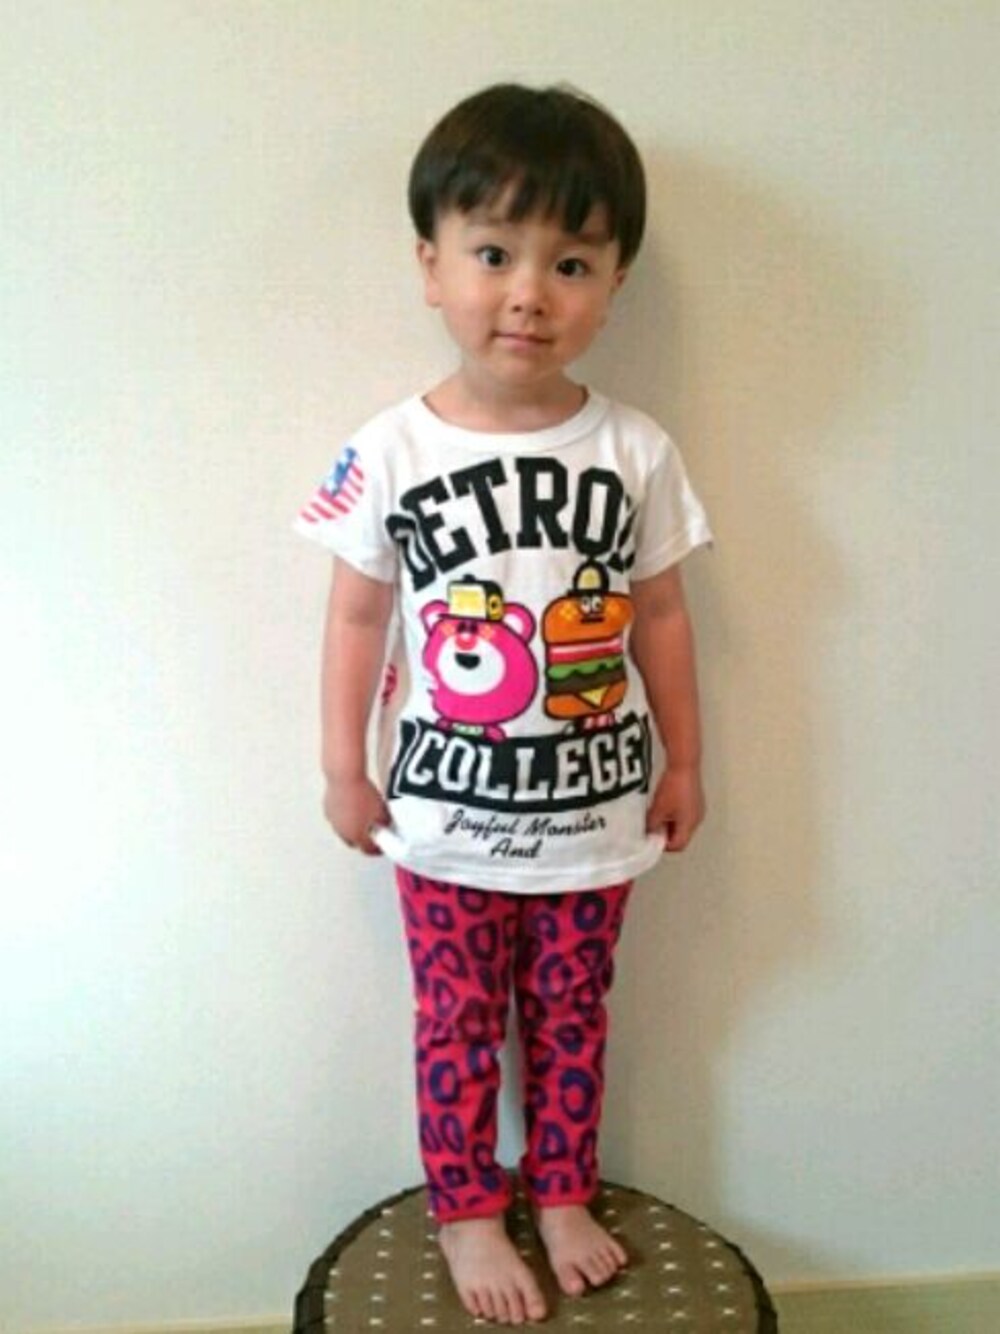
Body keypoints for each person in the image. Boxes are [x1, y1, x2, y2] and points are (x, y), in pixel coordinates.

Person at [295, 83, 712, 1326]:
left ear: (613, 283)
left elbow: (664, 616)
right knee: (458, 1022)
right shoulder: (391, 450)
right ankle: (468, 1206)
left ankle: (565, 1188)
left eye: (569, 262)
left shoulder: (635, 450)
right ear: (430, 264)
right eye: (492, 253)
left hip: (592, 820)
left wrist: (686, 763)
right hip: (443, 825)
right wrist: (342, 768)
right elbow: (355, 618)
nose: (528, 292)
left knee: (576, 1016)